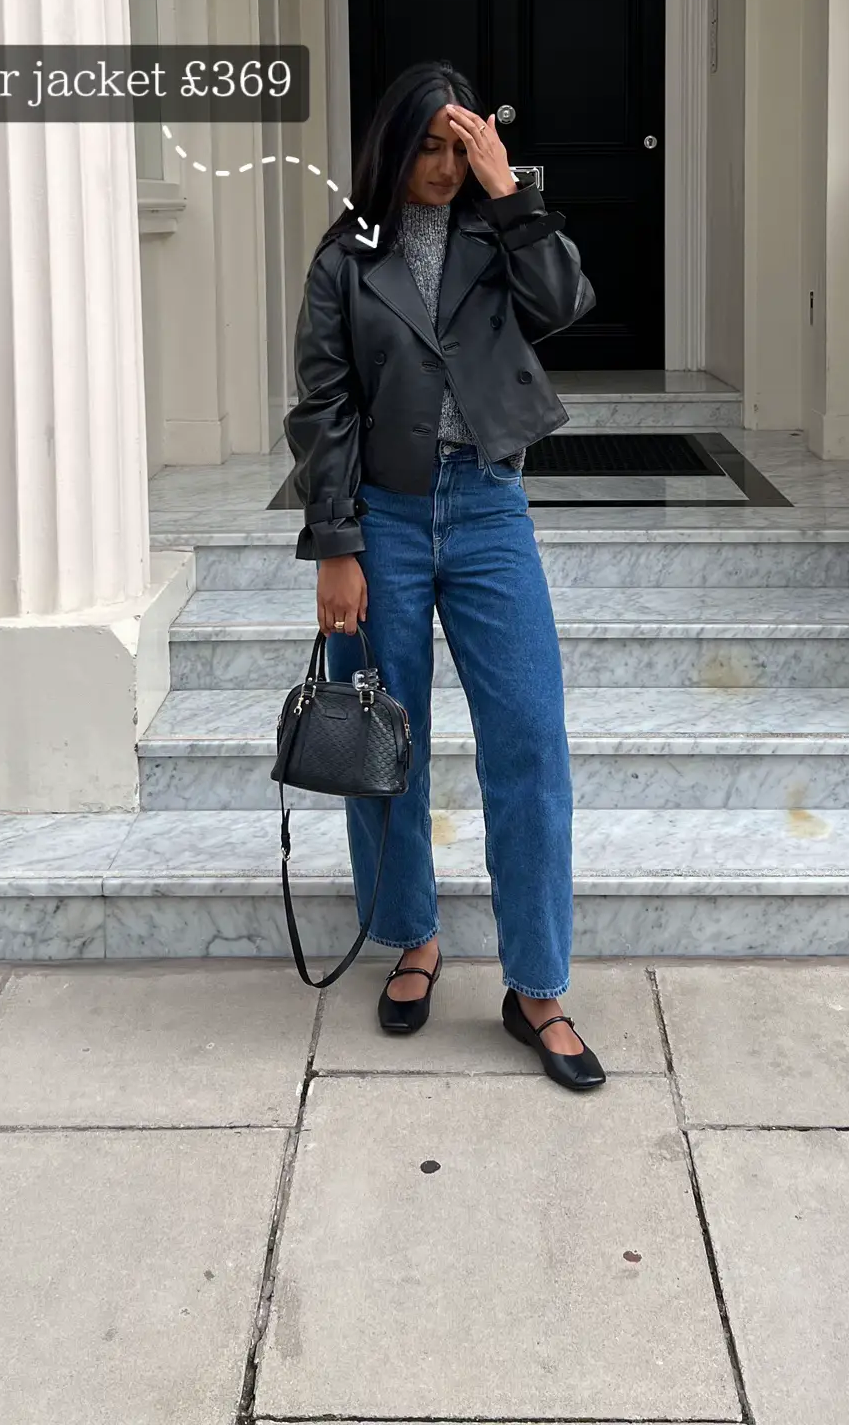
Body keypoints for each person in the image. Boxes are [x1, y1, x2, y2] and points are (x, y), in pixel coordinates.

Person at [283, 59, 605, 1090]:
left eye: (456, 149)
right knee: (384, 739)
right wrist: (336, 545)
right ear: (393, 147)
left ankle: (537, 987)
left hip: (489, 509)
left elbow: (565, 304)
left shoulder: (499, 232)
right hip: (384, 515)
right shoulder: (346, 258)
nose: (441, 168)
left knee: (528, 738)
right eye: (426, 147)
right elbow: (322, 407)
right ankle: (411, 939)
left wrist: (509, 188)